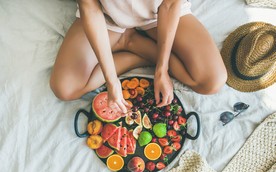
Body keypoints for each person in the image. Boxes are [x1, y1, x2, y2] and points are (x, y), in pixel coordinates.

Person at [50, 0, 227, 114]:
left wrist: (162, 70)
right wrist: (111, 80)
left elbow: (170, 4)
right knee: (65, 88)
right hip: (106, 18)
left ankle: (133, 43)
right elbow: (90, 9)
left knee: (212, 81)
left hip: (158, 15)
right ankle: (130, 43)